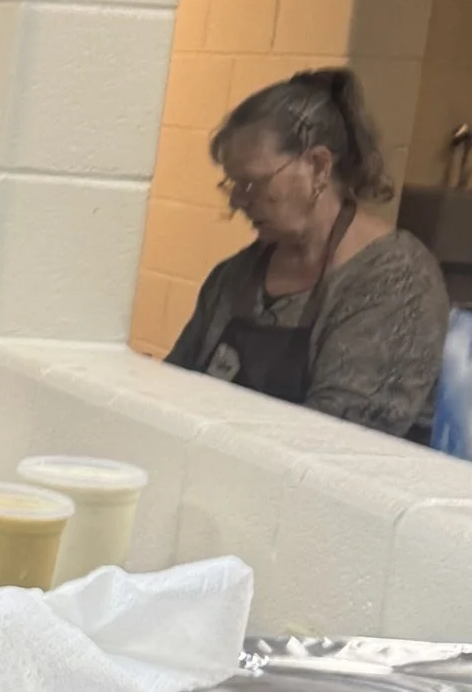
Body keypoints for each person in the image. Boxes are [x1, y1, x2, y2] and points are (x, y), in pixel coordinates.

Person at [166, 67, 449, 440]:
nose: (236, 201)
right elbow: (174, 390)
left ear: (318, 166)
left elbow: (334, 442)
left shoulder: (397, 282)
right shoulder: (235, 276)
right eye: (233, 184)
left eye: (252, 183)